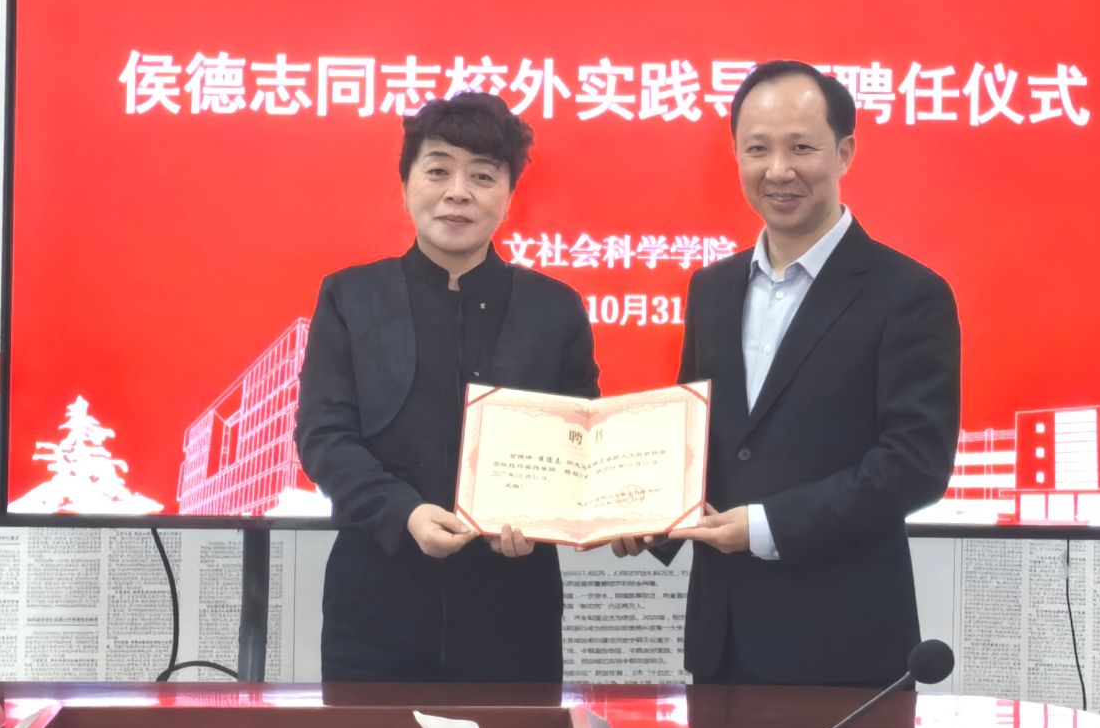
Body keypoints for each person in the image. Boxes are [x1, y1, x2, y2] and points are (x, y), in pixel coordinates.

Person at [621, 61, 961, 685]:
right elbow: (698, 440)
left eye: (801, 147)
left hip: (845, 646)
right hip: (721, 642)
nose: (777, 170)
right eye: (757, 149)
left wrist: (764, 526)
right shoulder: (712, 288)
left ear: (845, 152)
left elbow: (915, 464)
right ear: (736, 155)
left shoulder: (909, 294)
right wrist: (644, 516)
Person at [294, 92, 598, 681]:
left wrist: (544, 514)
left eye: (482, 176)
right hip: (375, 600)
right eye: (437, 170)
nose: (458, 192)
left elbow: (581, 441)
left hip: (514, 604)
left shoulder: (555, 309)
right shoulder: (351, 297)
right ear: (406, 186)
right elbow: (324, 437)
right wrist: (404, 513)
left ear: (509, 198)